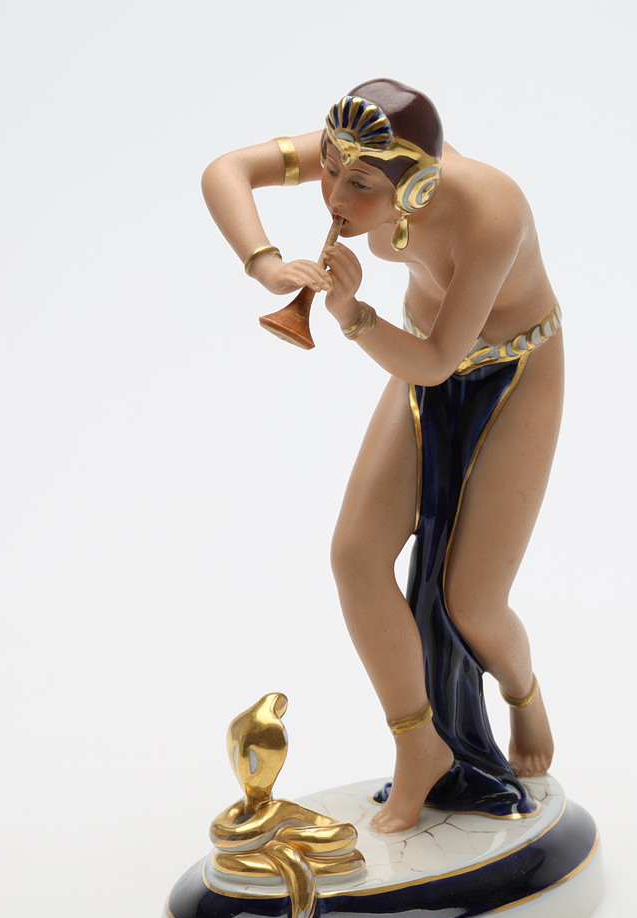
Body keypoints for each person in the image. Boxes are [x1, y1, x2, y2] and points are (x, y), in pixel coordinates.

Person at [202, 79, 563, 833]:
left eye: (358, 185)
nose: (334, 192)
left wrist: (350, 314)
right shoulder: (362, 157)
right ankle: (418, 745)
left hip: (514, 369)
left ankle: (524, 696)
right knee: (355, 555)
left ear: (417, 185)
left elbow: (436, 363)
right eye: (329, 169)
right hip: (418, 351)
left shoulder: (490, 212)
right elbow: (225, 171)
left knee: (472, 604)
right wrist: (268, 266)